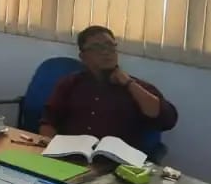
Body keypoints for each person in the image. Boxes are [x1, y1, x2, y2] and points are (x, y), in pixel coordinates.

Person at [39, 25, 178, 148]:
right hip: (70, 157)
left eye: (110, 46)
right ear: (83, 57)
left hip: (116, 163)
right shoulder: (70, 84)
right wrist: (52, 149)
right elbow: (48, 121)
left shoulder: (135, 87)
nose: (106, 52)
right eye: (97, 48)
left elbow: (166, 119)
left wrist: (129, 84)